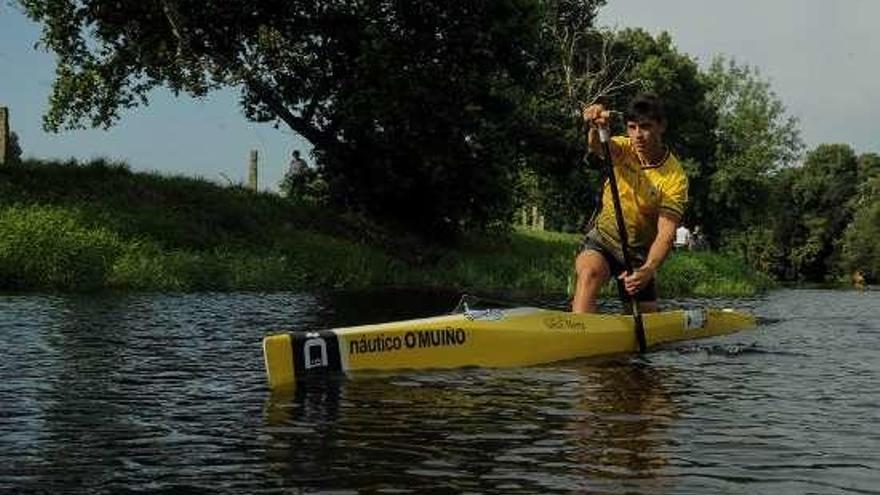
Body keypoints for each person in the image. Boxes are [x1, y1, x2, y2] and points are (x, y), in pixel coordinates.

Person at [572, 93, 689, 314]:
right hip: (604, 240)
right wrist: (594, 126)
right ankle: (576, 334)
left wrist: (648, 269)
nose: (638, 136)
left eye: (645, 127)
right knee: (589, 273)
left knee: (643, 315)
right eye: (632, 127)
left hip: (638, 255)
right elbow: (597, 145)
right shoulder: (622, 149)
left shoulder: (675, 177)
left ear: (661, 126)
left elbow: (665, 234)